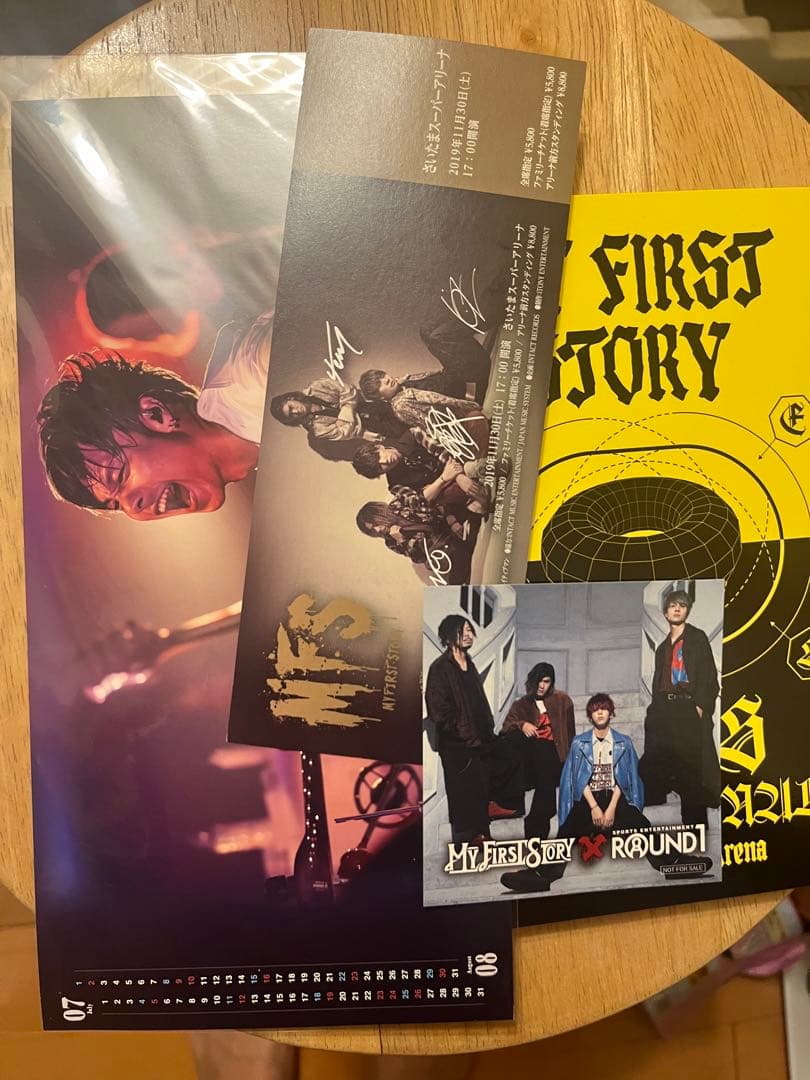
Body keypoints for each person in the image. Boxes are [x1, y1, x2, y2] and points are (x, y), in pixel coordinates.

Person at [36, 311, 272, 520]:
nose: (132, 508)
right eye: (117, 505)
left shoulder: (260, 374)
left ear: (156, 414)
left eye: (119, 476)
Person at [500, 694, 711, 893]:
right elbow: (577, 779)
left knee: (641, 825)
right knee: (566, 832)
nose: (600, 713)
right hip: (589, 798)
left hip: (614, 798)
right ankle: (540, 875)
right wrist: (593, 807)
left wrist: (611, 809)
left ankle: (674, 863)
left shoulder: (624, 742)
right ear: (590, 716)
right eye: (595, 710)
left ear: (611, 713)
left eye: (604, 709)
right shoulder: (579, 743)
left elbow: (626, 778)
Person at [425, 616, 520, 844]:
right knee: (469, 789)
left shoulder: (469, 662)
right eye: (464, 631)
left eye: (470, 630)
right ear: (449, 636)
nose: (469, 635)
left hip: (482, 736)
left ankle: (494, 806)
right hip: (459, 743)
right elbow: (438, 710)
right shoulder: (440, 667)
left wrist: (487, 726)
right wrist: (463, 734)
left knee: (513, 750)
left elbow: (478, 699)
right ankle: (478, 835)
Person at [638, 589, 721, 826]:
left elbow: (708, 676)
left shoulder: (697, 638)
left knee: (691, 771)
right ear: (665, 613)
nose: (677, 609)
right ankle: (655, 794)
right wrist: (654, 710)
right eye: (672, 605)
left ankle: (694, 828)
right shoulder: (662, 648)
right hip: (663, 709)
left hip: (687, 709)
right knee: (654, 760)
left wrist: (699, 707)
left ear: (687, 611)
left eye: (682, 606)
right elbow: (659, 681)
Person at [498, 662, 576, 840]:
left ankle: (536, 827)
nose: (542, 686)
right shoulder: (521, 704)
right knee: (539, 750)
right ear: (532, 681)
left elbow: (571, 734)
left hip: (557, 757)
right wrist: (522, 724)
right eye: (538, 681)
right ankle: (539, 819)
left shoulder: (563, 700)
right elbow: (505, 730)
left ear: (551, 682)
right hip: (531, 758)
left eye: (546, 681)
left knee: (546, 759)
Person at [352, 429, 491, 516]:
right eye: (380, 467)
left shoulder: (413, 435)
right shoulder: (395, 485)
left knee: (474, 423)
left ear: (379, 446)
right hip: (451, 484)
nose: (385, 462)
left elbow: (442, 450)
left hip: (460, 461)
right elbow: (421, 503)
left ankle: (476, 476)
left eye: (379, 456)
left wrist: (459, 476)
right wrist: (443, 479)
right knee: (436, 495)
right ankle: (480, 477)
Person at [269, 377, 406, 447]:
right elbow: (345, 433)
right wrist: (348, 404)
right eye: (291, 415)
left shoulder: (317, 386)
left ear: (291, 398)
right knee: (405, 432)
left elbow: (348, 390)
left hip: (372, 403)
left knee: (406, 407)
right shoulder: (317, 430)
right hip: (371, 427)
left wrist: (346, 412)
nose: (295, 412)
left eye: (291, 407)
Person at [356, 485, 470, 566]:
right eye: (372, 531)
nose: (377, 530)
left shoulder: (400, 503)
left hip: (454, 519)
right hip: (446, 545)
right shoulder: (391, 542)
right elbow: (420, 558)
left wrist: (452, 520)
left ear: (380, 513)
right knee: (453, 576)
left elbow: (436, 501)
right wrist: (402, 541)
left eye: (375, 523)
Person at [358, 369, 484, 431]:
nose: (386, 380)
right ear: (380, 397)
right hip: (467, 407)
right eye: (379, 384)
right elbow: (433, 425)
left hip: (468, 385)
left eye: (382, 375)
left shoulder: (405, 383)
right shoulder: (401, 405)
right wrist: (471, 405)